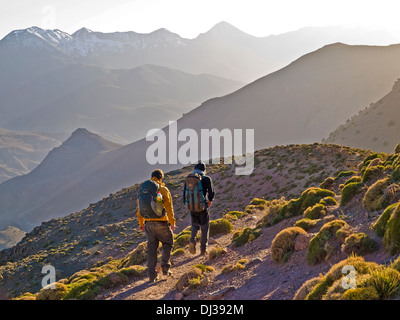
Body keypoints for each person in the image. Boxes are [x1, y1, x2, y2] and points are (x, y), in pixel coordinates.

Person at [137, 169, 176, 282]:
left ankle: (152, 275)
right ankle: (165, 268)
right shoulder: (163, 189)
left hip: (148, 224)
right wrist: (172, 222)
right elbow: (169, 207)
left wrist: (141, 223)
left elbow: (139, 208)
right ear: (160, 178)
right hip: (162, 222)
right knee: (168, 243)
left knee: (151, 249)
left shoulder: (144, 190)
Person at [183, 162, 215, 256]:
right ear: (203, 169)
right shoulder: (206, 178)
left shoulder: (189, 179)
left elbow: (184, 194)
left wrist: (188, 205)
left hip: (192, 207)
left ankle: (192, 240)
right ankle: (203, 250)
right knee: (205, 227)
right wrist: (210, 200)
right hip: (202, 206)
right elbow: (211, 192)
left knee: (195, 225)